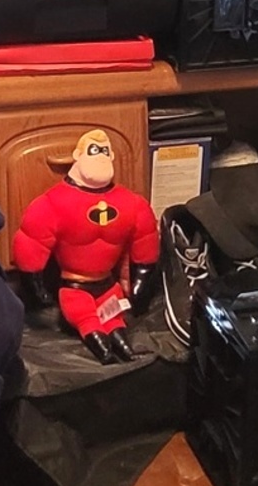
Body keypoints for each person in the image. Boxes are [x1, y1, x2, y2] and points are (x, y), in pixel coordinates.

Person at [12, 129, 159, 364]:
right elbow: (30, 245)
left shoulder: (132, 203)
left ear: (111, 156)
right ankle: (105, 354)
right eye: (93, 150)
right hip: (75, 286)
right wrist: (35, 286)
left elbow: (146, 241)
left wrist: (140, 280)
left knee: (114, 320)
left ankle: (125, 352)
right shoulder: (52, 203)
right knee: (86, 318)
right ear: (78, 155)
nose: (99, 155)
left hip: (108, 284)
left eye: (104, 151)